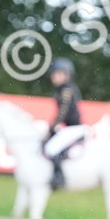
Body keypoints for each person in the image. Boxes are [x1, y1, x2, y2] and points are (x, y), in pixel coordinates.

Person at [43, 57, 85, 191]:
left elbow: (63, 112)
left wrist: (52, 126)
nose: (53, 77)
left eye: (57, 74)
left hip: (74, 128)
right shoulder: (63, 89)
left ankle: (59, 178)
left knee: (51, 148)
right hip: (70, 128)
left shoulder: (66, 90)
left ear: (65, 74)